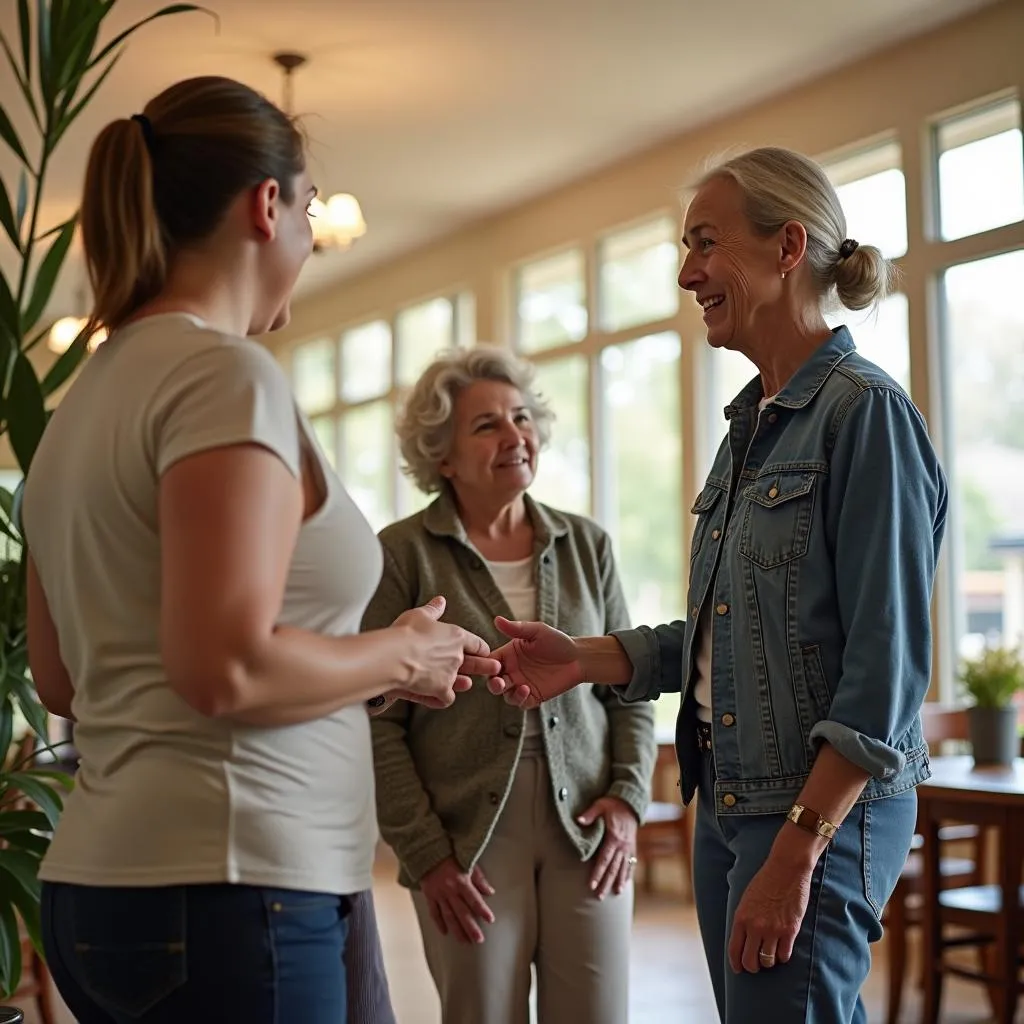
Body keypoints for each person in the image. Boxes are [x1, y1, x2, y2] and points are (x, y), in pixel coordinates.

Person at [23, 75, 499, 1024]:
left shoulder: (77, 409)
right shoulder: (221, 377)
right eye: (310, 207)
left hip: (112, 889)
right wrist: (405, 653)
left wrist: (370, 668)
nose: (309, 241)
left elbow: (67, 679)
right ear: (266, 204)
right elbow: (226, 668)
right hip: (230, 893)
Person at [487, 146, 948, 1024]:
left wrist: (799, 849)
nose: (685, 271)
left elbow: (885, 675)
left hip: (813, 815)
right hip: (730, 800)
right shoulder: (750, 429)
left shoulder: (867, 416)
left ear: (787, 248)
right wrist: (582, 658)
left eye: (705, 243)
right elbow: (721, 638)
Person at [362, 346, 657, 1024]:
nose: (514, 436)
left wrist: (628, 799)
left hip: (588, 831)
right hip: (465, 842)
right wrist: (427, 855)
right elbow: (376, 719)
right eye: (486, 425)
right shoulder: (401, 553)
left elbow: (631, 686)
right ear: (442, 456)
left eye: (521, 418)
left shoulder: (588, 544)